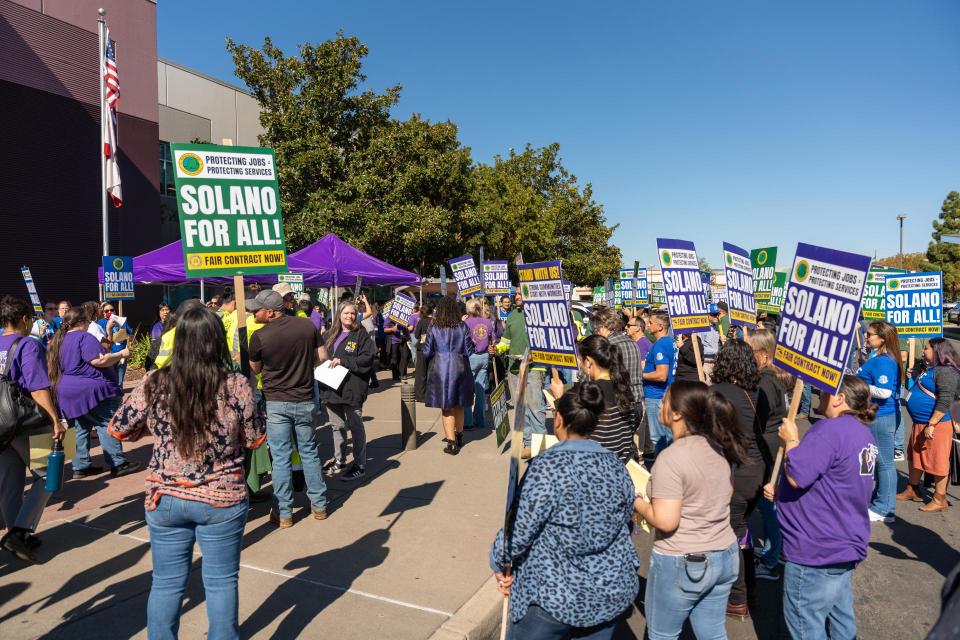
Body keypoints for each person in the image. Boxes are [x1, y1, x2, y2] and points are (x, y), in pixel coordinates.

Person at [108, 304, 265, 639]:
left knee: (165, 584)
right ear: (216, 340)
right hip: (221, 497)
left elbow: (118, 428)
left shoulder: (155, 382)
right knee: (222, 582)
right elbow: (254, 439)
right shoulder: (236, 384)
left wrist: (156, 427)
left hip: (166, 496)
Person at [489, 382, 639, 639]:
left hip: (553, 594)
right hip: (608, 591)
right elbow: (626, 520)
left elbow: (520, 530)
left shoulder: (547, 467)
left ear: (558, 419)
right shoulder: (616, 466)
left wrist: (499, 559)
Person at [635, 381, 747, 640]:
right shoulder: (718, 447)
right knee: (713, 633)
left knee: (662, 635)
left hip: (683, 561)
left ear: (676, 413)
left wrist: (638, 502)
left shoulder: (671, 458)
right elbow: (727, 492)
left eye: (665, 400)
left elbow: (665, 520)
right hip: (725, 554)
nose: (660, 405)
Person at [770, 375, 878, 640]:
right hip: (842, 542)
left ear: (840, 398)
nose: (820, 393)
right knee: (841, 621)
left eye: (827, 391)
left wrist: (791, 439)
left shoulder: (830, 430)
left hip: (816, 547)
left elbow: (798, 474)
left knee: (807, 626)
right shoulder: (862, 433)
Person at [247, 290, 329, 528]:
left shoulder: (260, 336)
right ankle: (319, 506)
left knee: (281, 458)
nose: (254, 312)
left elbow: (256, 369)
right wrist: (304, 366)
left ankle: (284, 513)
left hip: (276, 402)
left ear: (271, 312)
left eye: (258, 309)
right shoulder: (306, 327)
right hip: (304, 399)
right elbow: (322, 356)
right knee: (309, 453)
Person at [0, 296, 65, 563]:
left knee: (9, 482)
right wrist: (55, 420)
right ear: (25, 319)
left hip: (1, 424)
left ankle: (17, 534)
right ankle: (19, 532)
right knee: (49, 474)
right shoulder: (27, 344)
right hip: (24, 421)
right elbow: (38, 387)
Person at [47, 307, 140, 479]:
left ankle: (80, 465)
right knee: (106, 424)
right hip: (92, 390)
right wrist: (121, 353)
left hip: (67, 391)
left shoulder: (58, 340)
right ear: (82, 322)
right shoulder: (84, 337)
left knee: (80, 427)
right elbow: (99, 360)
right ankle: (118, 463)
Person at [710, 339, 765, 619]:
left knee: (730, 536)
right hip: (757, 471)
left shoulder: (718, 393)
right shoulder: (756, 390)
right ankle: (750, 590)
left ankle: (737, 598)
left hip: (735, 472)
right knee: (741, 531)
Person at [745, 328, 791, 581]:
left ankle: (773, 558)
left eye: (749, 350)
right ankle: (776, 548)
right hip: (774, 444)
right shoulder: (774, 376)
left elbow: (758, 420)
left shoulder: (764, 381)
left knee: (768, 504)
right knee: (770, 503)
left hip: (767, 448)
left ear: (762, 355)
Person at [897, 338, 960, 512]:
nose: (923, 351)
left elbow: (946, 399)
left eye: (926, 348)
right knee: (915, 457)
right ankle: (913, 489)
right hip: (921, 423)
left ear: (937, 351)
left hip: (936, 425)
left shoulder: (946, 371)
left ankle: (940, 499)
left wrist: (932, 423)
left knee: (937, 461)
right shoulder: (931, 368)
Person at [555, 335, 637, 463]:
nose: (578, 362)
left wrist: (559, 399)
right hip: (621, 464)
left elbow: (568, 437)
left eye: (579, 358)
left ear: (588, 361)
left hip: (595, 466)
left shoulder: (590, 393)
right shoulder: (623, 386)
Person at [319, 302, 377, 481]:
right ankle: (339, 459)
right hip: (331, 389)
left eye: (353, 313)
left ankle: (360, 464)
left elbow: (367, 359)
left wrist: (343, 361)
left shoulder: (361, 335)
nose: (350, 316)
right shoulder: (329, 334)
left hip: (352, 389)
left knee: (356, 427)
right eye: (346, 313)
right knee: (337, 426)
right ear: (339, 314)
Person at [856, 320, 902, 523]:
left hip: (881, 416)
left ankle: (885, 508)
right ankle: (879, 502)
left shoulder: (883, 360)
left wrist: (860, 384)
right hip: (876, 415)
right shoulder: (878, 356)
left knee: (884, 463)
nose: (867, 336)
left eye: (870, 334)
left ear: (882, 338)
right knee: (877, 462)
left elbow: (884, 392)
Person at [423, 296, 476, 455]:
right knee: (459, 404)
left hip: (441, 369)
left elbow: (426, 352)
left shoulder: (434, 327)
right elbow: (469, 351)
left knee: (446, 407)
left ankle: (451, 442)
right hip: (460, 368)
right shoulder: (463, 326)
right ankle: (459, 436)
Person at [496, 291, 547, 456]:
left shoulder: (540, 314)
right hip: (514, 368)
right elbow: (506, 341)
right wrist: (496, 349)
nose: (517, 296)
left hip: (534, 368)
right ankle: (528, 444)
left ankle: (541, 446)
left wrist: (536, 353)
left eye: (520, 293)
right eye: (516, 294)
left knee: (536, 408)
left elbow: (548, 341)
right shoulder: (512, 316)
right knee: (521, 408)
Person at [593, 308, 644, 433]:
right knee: (626, 445)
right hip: (637, 403)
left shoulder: (607, 346)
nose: (596, 332)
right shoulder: (633, 343)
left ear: (604, 326)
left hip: (618, 406)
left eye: (597, 329)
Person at [641, 310, 677, 453]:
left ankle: (661, 472)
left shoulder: (661, 345)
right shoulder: (670, 342)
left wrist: (642, 374)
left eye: (651, 322)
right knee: (667, 436)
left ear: (660, 326)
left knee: (658, 438)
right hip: (665, 394)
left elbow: (662, 374)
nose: (647, 325)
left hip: (656, 396)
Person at [464, 299, 494, 430]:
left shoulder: (466, 322)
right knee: (481, 389)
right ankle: (480, 420)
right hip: (484, 356)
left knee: (467, 389)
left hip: (471, 356)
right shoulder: (487, 322)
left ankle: (468, 421)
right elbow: (493, 340)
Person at [98, 301, 132, 387]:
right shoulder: (100, 322)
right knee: (109, 379)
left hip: (122, 354)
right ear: (103, 313)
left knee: (120, 380)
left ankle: (119, 395)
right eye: (106, 311)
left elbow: (131, 333)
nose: (110, 312)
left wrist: (129, 340)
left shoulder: (122, 320)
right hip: (109, 354)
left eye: (112, 310)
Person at [413, 302, 433, 403]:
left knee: (420, 373)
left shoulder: (421, 321)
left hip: (421, 348)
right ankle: (430, 395)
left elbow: (416, 335)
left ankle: (420, 396)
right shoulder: (435, 321)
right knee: (430, 372)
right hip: (432, 349)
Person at [384, 312, 411, 381]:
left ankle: (403, 374)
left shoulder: (404, 317)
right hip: (394, 340)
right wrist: (392, 329)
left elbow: (408, 327)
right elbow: (385, 330)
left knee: (405, 356)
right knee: (394, 358)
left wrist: (407, 328)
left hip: (403, 339)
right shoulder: (389, 318)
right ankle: (395, 375)